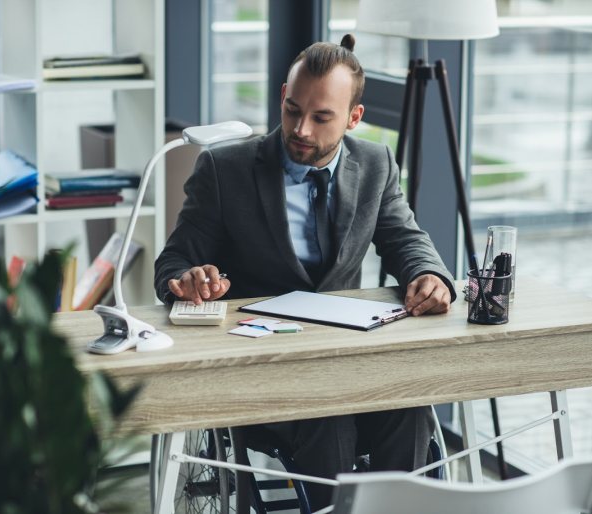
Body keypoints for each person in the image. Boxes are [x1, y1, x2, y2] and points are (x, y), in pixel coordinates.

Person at [155, 34, 457, 510]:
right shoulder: (223, 168)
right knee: (329, 416)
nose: (301, 128)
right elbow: (172, 264)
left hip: (347, 359)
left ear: (354, 118)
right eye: (293, 110)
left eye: (321, 117)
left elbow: (404, 239)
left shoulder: (375, 164)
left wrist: (431, 276)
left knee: (412, 406)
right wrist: (189, 279)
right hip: (261, 372)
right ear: (282, 96)